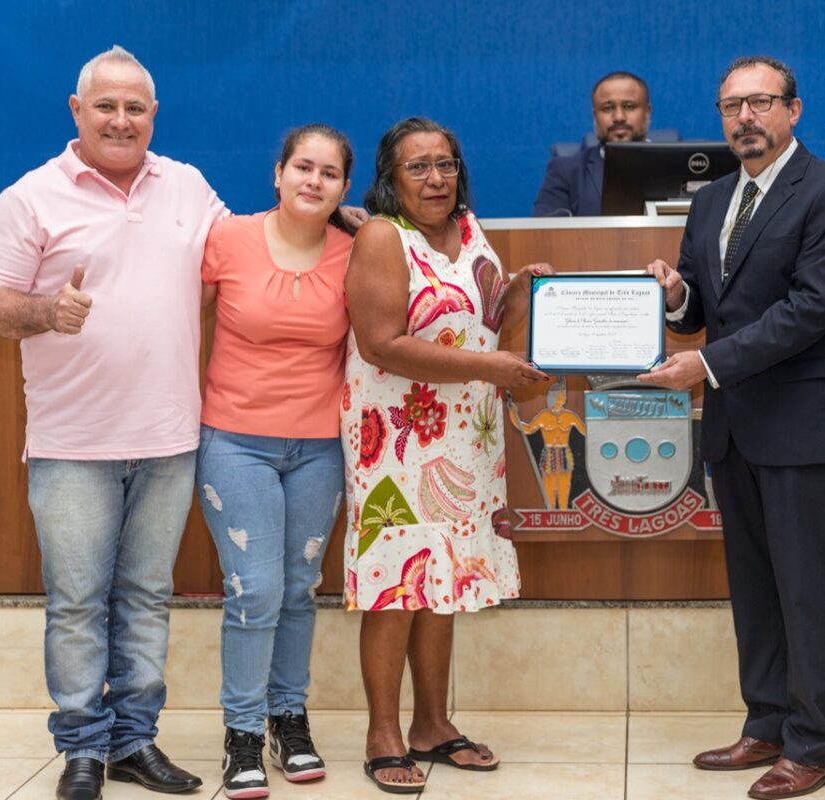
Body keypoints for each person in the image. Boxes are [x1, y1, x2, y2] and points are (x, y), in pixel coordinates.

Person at [0, 46, 226, 800]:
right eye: (106, 106)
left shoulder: (185, 185)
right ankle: (82, 747)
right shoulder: (28, 198)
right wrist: (48, 310)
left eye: (136, 108)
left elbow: (246, 250)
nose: (122, 120)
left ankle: (134, 744)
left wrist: (344, 221)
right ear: (76, 111)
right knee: (78, 601)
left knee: (147, 596)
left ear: (154, 116)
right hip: (72, 443)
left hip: (170, 436)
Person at [640, 56, 825, 799]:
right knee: (757, 588)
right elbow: (705, 307)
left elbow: (811, 311)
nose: (745, 117)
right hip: (736, 429)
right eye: (731, 106)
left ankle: (814, 743)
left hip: (806, 426)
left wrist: (703, 366)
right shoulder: (710, 202)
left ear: (793, 111)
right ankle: (766, 723)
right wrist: (677, 298)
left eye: (761, 102)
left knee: (810, 591)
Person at [341, 116, 551, 794]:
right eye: (419, 167)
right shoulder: (382, 235)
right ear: (390, 179)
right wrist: (491, 364)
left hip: (468, 431)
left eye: (446, 164)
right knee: (397, 579)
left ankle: (433, 724)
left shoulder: (469, 228)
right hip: (398, 436)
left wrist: (520, 295)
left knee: (445, 578)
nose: (437, 178)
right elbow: (381, 343)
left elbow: (490, 324)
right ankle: (383, 733)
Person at [194, 123, 355, 798]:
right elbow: (175, 323)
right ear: (278, 172)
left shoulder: (356, 251)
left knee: (298, 585)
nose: (313, 181)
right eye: (303, 167)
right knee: (253, 589)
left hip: (320, 447)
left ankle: (289, 719)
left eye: (329, 173)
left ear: (345, 188)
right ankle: (240, 733)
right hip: (235, 441)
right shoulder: (227, 240)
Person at [532, 71, 652, 216]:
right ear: (595, 116)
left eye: (629, 106)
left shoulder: (680, 166)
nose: (619, 117)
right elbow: (544, 233)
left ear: (647, 112)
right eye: (607, 108)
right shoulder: (565, 172)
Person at [507, 379, 584, 510]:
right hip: (549, 454)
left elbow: (584, 430)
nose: (562, 398)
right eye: (560, 395)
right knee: (549, 487)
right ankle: (551, 512)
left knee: (564, 488)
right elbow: (527, 429)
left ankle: (564, 512)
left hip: (565, 454)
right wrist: (513, 413)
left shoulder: (570, 416)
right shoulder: (543, 416)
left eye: (563, 395)